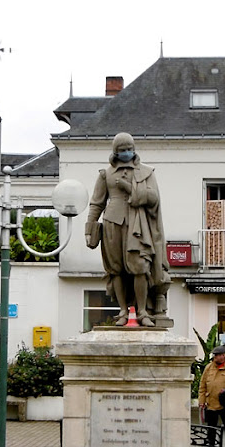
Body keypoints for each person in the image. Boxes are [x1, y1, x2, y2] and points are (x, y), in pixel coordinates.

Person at [85, 133, 171, 326]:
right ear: (115, 152)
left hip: (137, 224)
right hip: (112, 223)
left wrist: (129, 187)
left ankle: (142, 311)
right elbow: (96, 203)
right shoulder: (105, 174)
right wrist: (89, 229)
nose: (126, 153)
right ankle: (123, 310)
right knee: (116, 270)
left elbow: (153, 198)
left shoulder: (146, 172)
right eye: (122, 150)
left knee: (139, 266)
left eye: (129, 149)